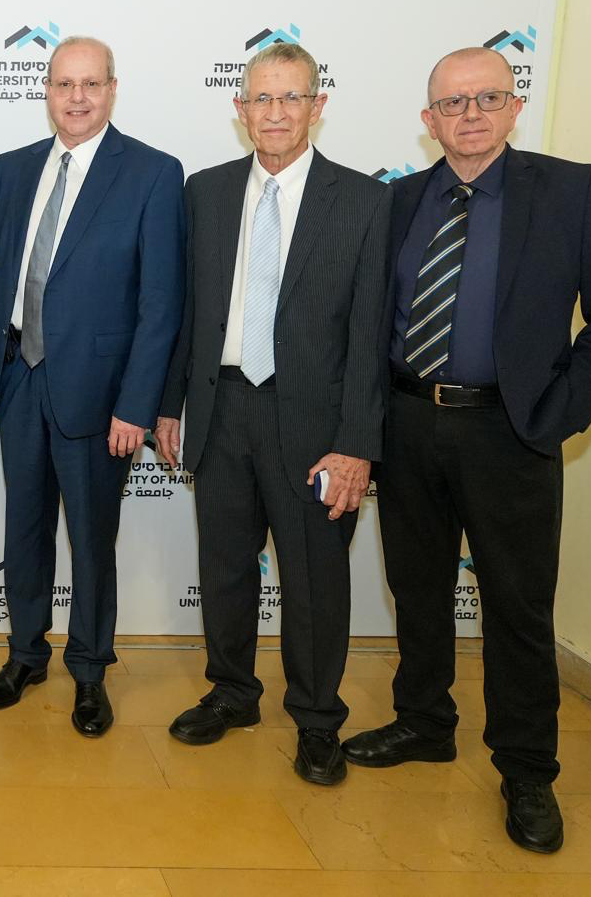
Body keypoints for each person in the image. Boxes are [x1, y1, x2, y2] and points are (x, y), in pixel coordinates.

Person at [341, 48, 591, 851]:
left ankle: (527, 770)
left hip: (510, 433)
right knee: (418, 588)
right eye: (452, 103)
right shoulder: (398, 200)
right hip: (408, 425)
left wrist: (552, 415)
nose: (470, 115)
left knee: (516, 606)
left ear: (515, 107)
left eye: (487, 98)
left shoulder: (572, 191)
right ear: (428, 120)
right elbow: (371, 323)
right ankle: (424, 721)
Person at [155, 41, 389, 786]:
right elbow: (187, 311)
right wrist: (171, 406)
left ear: (318, 106)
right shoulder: (206, 191)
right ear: (241, 109)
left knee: (316, 580)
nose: (277, 112)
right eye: (263, 98)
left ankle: (317, 720)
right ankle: (232, 693)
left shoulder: (364, 201)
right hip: (221, 409)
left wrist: (357, 445)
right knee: (225, 567)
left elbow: (371, 337)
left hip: (316, 425)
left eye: (292, 97)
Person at [0, 37, 185, 735]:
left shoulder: (153, 173)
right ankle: (25, 656)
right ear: (47, 89)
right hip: (19, 376)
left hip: (100, 395)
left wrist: (137, 405)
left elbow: (161, 303)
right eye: (64, 84)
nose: (77, 98)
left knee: (92, 539)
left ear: (112, 89)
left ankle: (90, 671)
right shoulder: (14, 169)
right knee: (24, 528)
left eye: (91, 84)